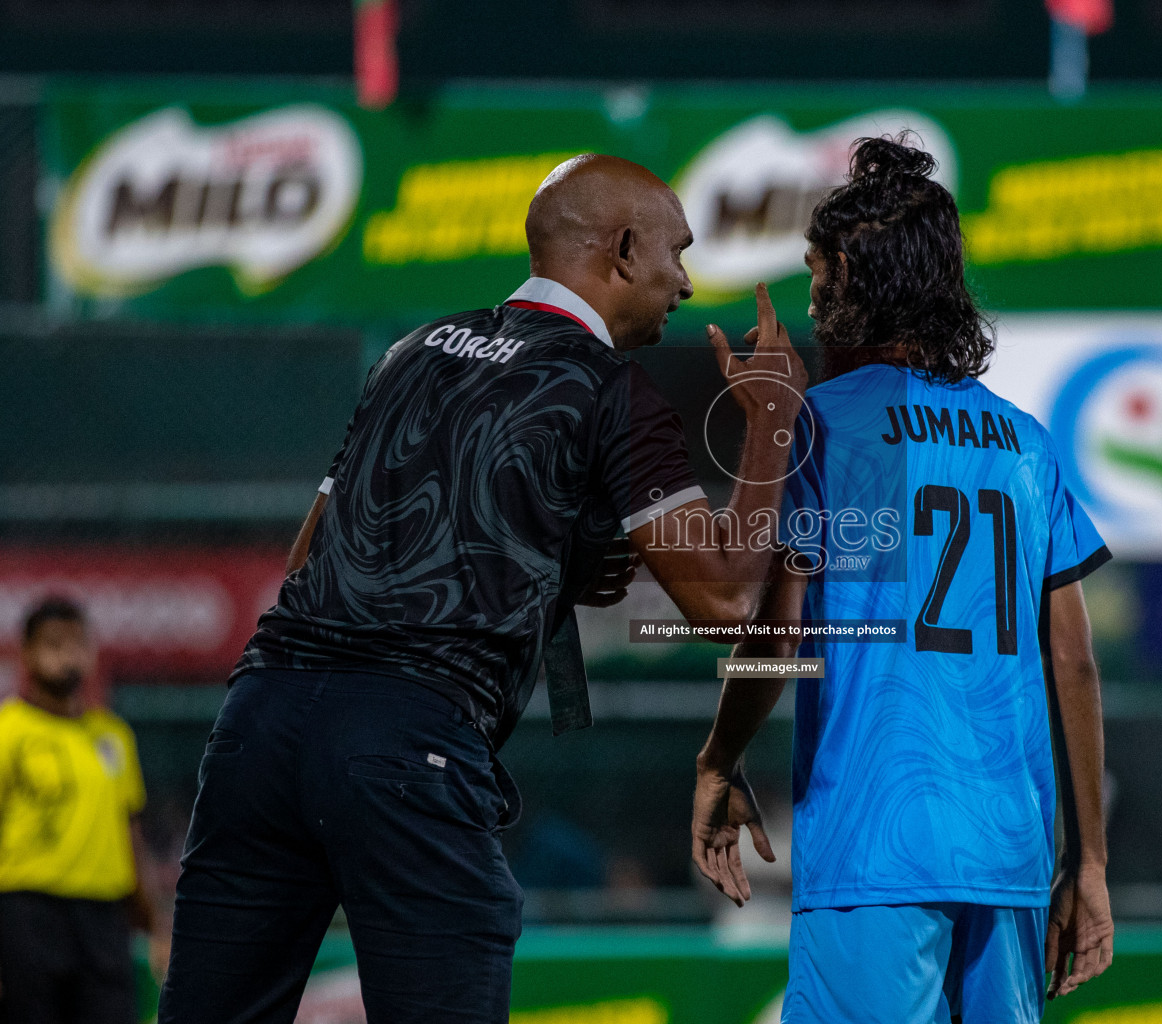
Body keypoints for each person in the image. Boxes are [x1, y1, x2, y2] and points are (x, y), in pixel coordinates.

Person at [159, 154, 806, 1024]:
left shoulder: (409, 351)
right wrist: (770, 421)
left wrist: (553, 562)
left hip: (258, 724)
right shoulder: (611, 388)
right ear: (620, 249)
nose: (684, 282)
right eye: (675, 253)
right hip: (408, 742)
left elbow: (308, 561)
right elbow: (726, 600)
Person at [689, 135, 1114, 1024]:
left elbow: (774, 636)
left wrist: (719, 758)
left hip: (875, 842)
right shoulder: (1027, 443)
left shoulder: (816, 428)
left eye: (814, 276)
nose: (809, 301)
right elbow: (1071, 662)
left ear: (849, 272)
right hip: (1010, 854)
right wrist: (1091, 865)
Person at [0, 596, 156, 1024]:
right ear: (26, 653)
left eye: (77, 643)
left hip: (105, 918)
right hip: (27, 914)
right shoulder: (8, 731)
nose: (67, 654)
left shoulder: (113, 736)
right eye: (53, 643)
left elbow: (129, 829)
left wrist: (151, 919)